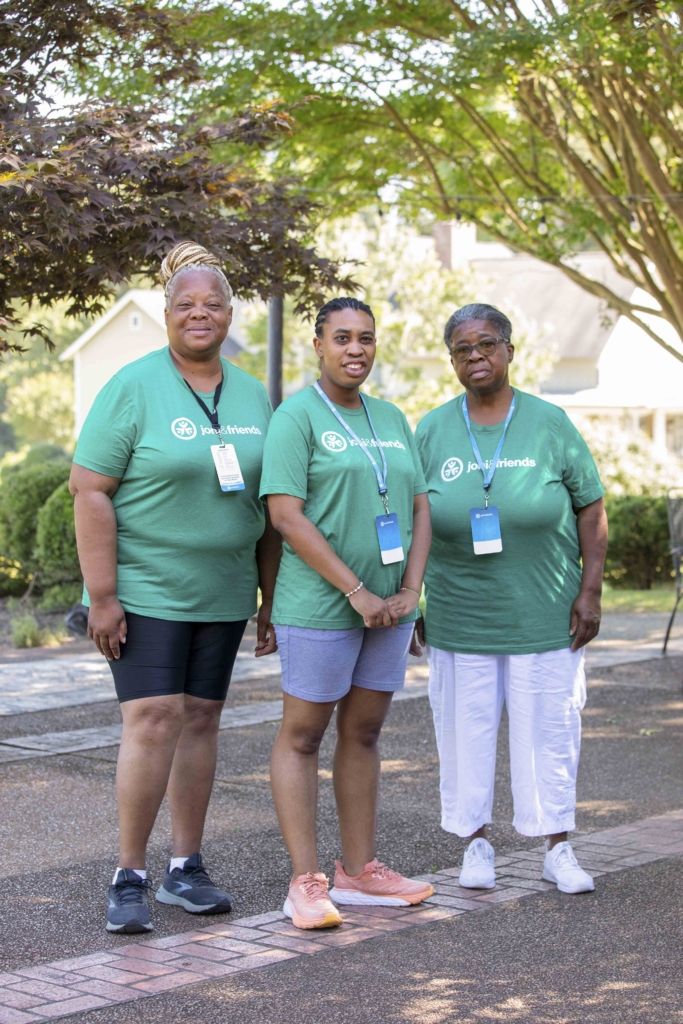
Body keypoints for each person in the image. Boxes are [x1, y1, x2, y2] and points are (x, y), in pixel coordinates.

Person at [70, 241, 280, 934]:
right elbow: (90, 491)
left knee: (200, 721)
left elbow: (274, 505)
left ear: (228, 314)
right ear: (165, 313)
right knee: (154, 717)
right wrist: (103, 595)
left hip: (223, 593)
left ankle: (184, 867)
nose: (200, 314)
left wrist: (269, 598)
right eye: (185, 304)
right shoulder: (133, 386)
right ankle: (128, 874)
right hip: (146, 589)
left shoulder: (253, 394)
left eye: (212, 304)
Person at [414, 303, 608, 895]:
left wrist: (590, 592)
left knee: (549, 734)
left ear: (510, 351)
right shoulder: (432, 429)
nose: (476, 357)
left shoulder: (549, 423)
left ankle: (557, 848)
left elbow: (591, 508)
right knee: (464, 735)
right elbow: (409, 514)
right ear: (452, 359)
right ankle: (475, 844)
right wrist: (408, 598)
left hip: (544, 615)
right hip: (457, 617)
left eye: (487, 344)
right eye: (463, 349)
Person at [260, 296, 434, 930]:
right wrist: (356, 589)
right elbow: (285, 515)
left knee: (363, 734)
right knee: (303, 736)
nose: (355, 349)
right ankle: (305, 883)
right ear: (318, 345)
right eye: (342, 338)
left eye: (364, 338)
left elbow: (417, 507)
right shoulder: (296, 417)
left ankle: (359, 873)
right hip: (323, 608)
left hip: (390, 610)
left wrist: (411, 590)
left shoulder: (391, 416)